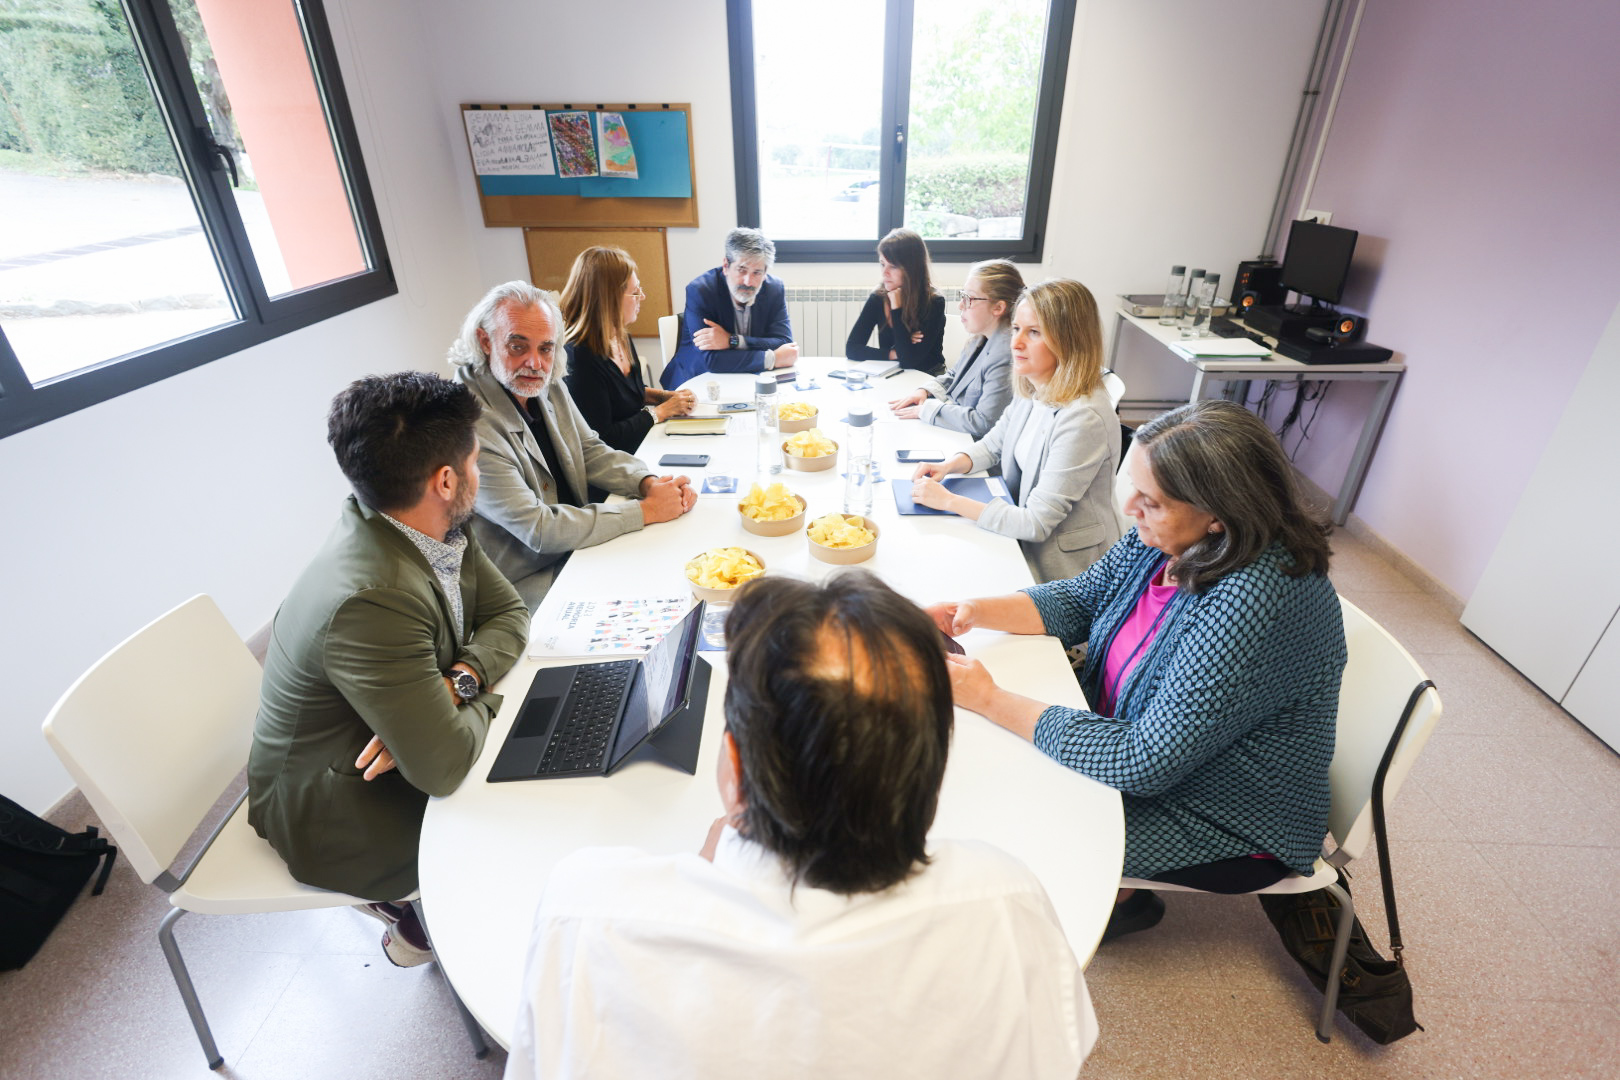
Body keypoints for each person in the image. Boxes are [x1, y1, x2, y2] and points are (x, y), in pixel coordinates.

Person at [504, 572, 1098, 1079]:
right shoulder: (1003, 898)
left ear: (735, 768)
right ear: (926, 771)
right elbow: (1057, 1050)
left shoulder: (586, 908)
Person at [931, 399, 1347, 942]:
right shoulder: (1177, 535)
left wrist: (991, 699)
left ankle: (1112, 896)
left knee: (1002, 817)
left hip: (1227, 811)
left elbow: (1144, 761)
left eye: (1150, 501)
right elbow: (1083, 598)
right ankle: (1121, 893)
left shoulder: (1253, 596)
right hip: (1155, 751)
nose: (1130, 507)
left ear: (1219, 511)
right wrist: (970, 611)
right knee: (984, 766)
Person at [249, 372, 528, 967]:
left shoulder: (425, 517)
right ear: (446, 479)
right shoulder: (372, 598)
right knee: (519, 814)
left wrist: (458, 684)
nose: (479, 474)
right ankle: (417, 928)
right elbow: (446, 763)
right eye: (476, 461)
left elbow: (508, 613)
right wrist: (452, 713)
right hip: (334, 806)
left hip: (392, 736)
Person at [450, 282, 697, 610]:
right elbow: (539, 529)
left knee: (680, 573)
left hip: (578, 547)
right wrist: (646, 510)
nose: (535, 363)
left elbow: (589, 449)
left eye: (545, 348)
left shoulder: (545, 382)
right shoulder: (467, 423)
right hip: (527, 581)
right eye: (517, 347)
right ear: (485, 341)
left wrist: (648, 483)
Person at [911, 278, 1122, 583]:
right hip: (1022, 538)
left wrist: (948, 501)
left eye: (1034, 332)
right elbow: (994, 443)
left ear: (1069, 340)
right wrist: (949, 465)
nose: (1016, 343)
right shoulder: (1035, 383)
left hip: (1069, 572)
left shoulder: (1083, 417)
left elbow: (1036, 523)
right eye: (1016, 329)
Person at [560, 246, 695, 456]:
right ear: (609, 298)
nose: (642, 297)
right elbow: (603, 438)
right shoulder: (580, 357)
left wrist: (664, 396)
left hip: (640, 446)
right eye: (635, 292)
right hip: (615, 466)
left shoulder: (620, 335)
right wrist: (660, 412)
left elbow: (627, 393)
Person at [890, 257, 1023, 437]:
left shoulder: (1006, 356)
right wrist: (926, 391)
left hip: (973, 445)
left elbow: (984, 422)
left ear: (998, 307)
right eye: (962, 296)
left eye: (969, 298)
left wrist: (927, 409)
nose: (961, 305)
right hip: (955, 427)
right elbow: (955, 375)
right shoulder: (979, 338)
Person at [661, 227, 797, 389]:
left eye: (757, 273)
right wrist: (771, 358)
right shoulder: (702, 290)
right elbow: (711, 360)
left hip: (750, 377)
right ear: (726, 265)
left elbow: (784, 342)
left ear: (765, 272)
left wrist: (732, 341)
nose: (748, 281)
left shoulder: (774, 288)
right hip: (699, 379)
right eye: (742, 270)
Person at [844, 227, 946, 374]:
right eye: (882, 264)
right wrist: (896, 352)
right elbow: (852, 349)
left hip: (928, 377)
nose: (884, 273)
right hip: (892, 373)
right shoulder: (878, 298)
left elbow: (909, 361)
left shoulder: (934, 302)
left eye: (893, 266)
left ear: (911, 268)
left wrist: (896, 307)